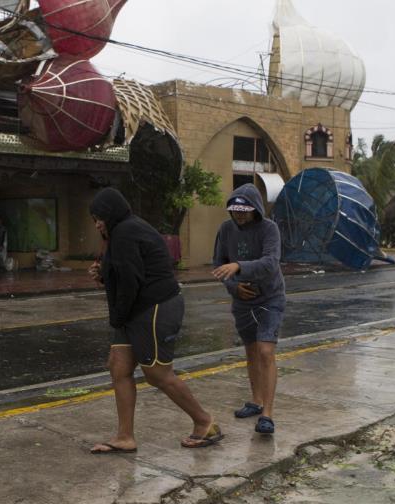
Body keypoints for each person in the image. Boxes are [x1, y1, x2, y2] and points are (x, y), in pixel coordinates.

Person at [87, 187, 222, 453]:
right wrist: (104, 275)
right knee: (118, 367)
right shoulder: (122, 231)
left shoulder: (125, 232)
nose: (97, 224)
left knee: (157, 374)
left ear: (111, 213)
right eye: (94, 219)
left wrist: (117, 317)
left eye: (99, 218)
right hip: (136, 310)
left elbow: (131, 281)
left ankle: (205, 422)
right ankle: (125, 437)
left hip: (155, 308)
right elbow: (130, 271)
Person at [212, 183, 286, 435]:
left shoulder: (269, 229)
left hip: (270, 298)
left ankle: (267, 414)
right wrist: (234, 287)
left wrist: (239, 266)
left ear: (256, 209)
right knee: (252, 351)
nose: (239, 215)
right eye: (235, 211)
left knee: (266, 351)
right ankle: (256, 402)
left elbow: (270, 262)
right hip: (242, 300)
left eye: (245, 211)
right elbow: (219, 263)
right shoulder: (225, 229)